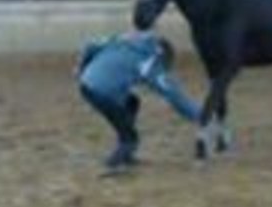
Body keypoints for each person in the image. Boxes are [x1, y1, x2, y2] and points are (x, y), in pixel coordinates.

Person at [77, 30, 201, 171]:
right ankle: (114, 163)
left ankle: (126, 154)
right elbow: (177, 98)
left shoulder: (123, 40)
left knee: (132, 102)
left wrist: (82, 70)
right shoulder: (150, 63)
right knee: (130, 138)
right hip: (102, 93)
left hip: (87, 83)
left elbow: (90, 46)